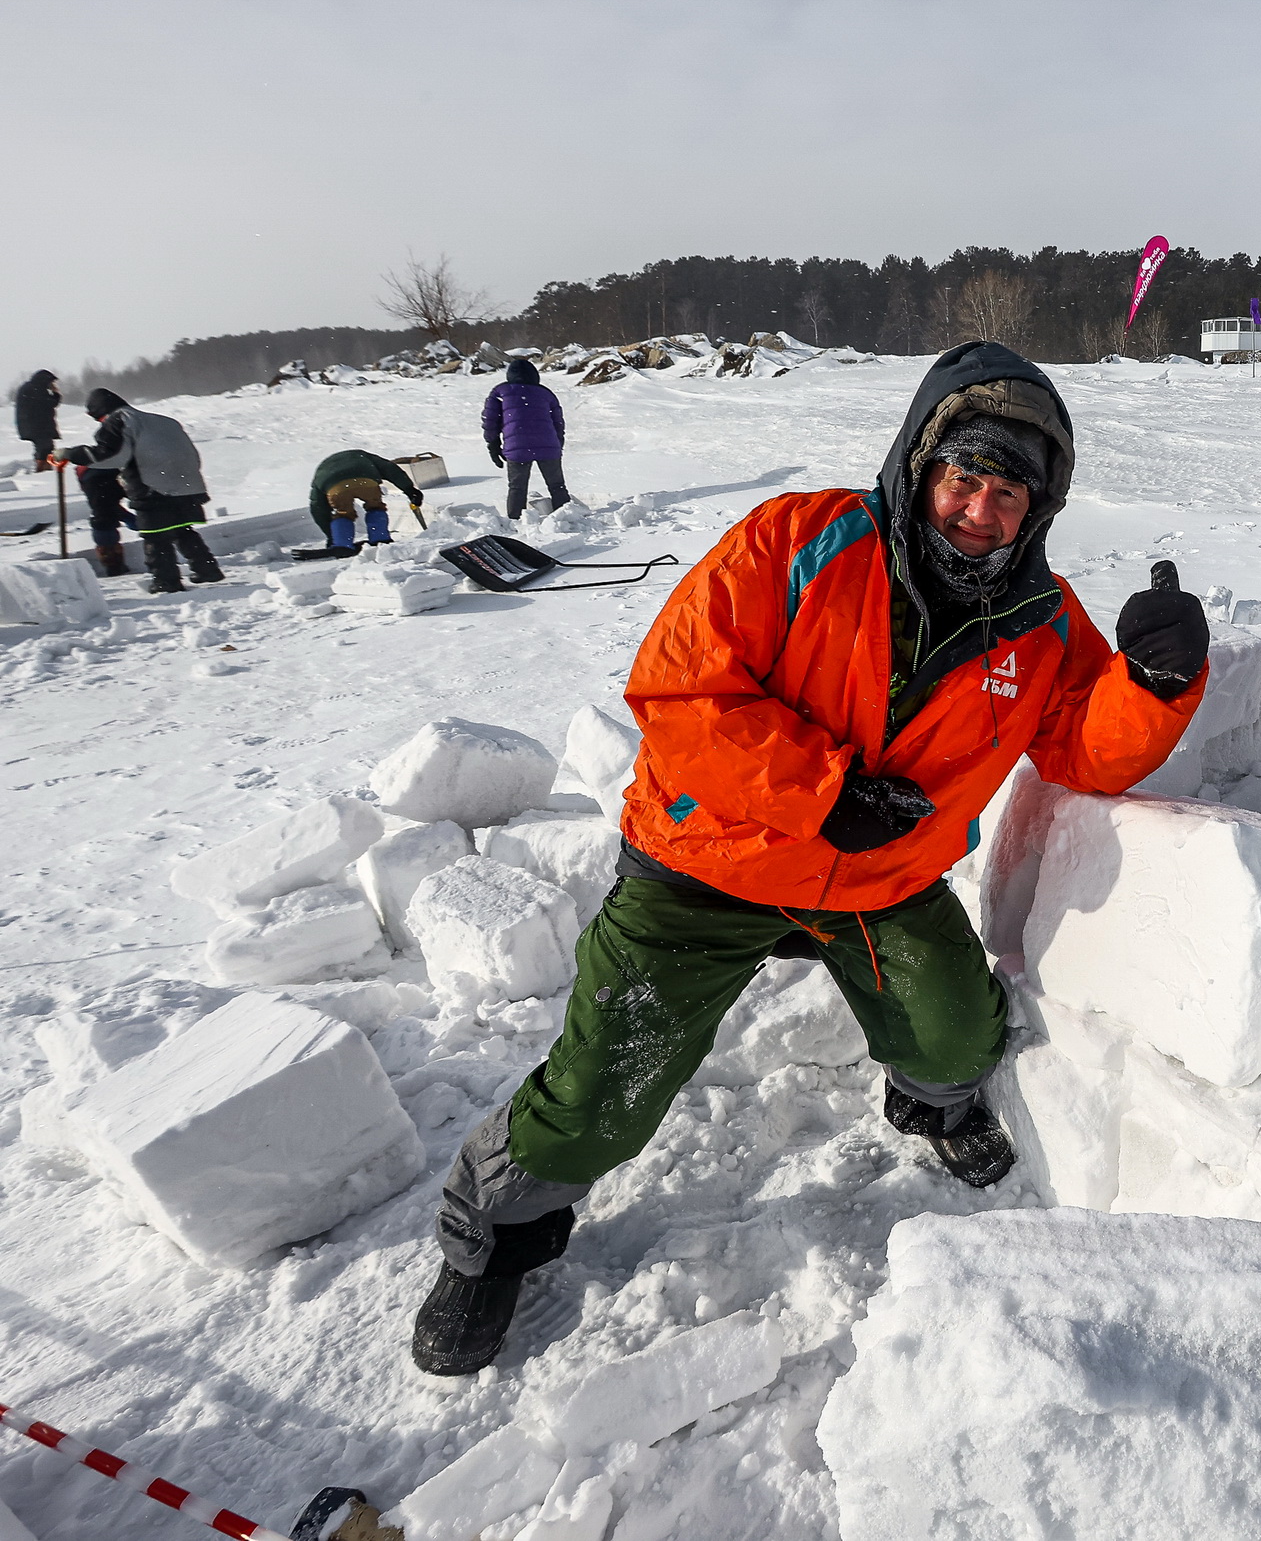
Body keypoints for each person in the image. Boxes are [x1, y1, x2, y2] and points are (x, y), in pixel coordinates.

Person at [411, 341, 1210, 1376]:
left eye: (1009, 492)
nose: (979, 509)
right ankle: (492, 1236)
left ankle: (929, 1101)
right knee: (604, 1084)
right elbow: (681, 690)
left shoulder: (1043, 621)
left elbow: (1083, 752)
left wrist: (1154, 681)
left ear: (1039, 508)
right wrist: (824, 792)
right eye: (964, 476)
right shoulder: (797, 539)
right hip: (708, 862)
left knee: (958, 1034)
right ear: (920, 466)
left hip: (877, 880)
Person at [51, 390, 222, 592]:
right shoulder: (163, 421)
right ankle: (207, 570)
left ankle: (166, 582)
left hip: (153, 487)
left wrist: (70, 454)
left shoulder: (118, 420)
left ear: (100, 412)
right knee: (183, 530)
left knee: (156, 537)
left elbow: (111, 455)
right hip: (187, 484)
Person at [481, 356, 569, 519]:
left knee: (517, 488)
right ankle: (567, 518)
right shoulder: (545, 393)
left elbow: (490, 421)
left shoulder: (500, 392)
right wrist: (558, 444)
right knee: (557, 486)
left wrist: (493, 445)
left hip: (517, 448)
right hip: (548, 446)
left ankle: (516, 521)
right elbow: (558, 422)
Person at [308, 449, 425, 551]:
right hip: (365, 479)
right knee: (375, 507)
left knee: (343, 513)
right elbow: (390, 469)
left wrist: (332, 537)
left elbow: (318, 508)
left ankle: (342, 544)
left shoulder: (322, 471)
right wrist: (409, 489)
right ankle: (380, 538)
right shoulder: (363, 456)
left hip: (335, 486)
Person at [13, 369, 60, 464]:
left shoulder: (30, 388)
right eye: (51, 382)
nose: (52, 384)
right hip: (39, 427)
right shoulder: (37, 389)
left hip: (32, 426)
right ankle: (43, 469)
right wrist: (55, 393)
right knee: (45, 449)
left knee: (44, 449)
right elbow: (50, 403)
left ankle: (43, 466)